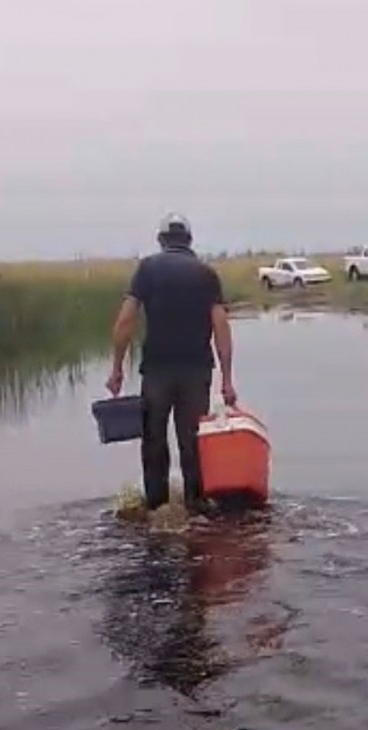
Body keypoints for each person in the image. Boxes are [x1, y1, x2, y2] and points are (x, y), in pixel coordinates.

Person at [107, 213, 237, 513]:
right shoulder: (206, 274)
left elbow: (125, 320)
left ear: (161, 240)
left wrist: (116, 369)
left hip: (157, 371)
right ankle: (195, 507)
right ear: (189, 240)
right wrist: (227, 380)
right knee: (192, 442)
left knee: (153, 440)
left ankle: (156, 509)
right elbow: (221, 327)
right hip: (196, 372)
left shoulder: (147, 270)